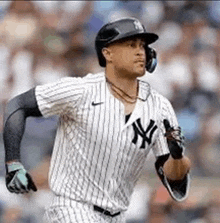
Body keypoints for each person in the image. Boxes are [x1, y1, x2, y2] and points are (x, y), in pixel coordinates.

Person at [3, 18, 190, 223]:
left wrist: (177, 156)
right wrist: (13, 163)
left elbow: (175, 181)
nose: (140, 52)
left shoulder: (160, 107)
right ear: (107, 53)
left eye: (142, 46)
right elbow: (17, 106)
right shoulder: (81, 91)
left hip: (118, 215)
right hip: (72, 209)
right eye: (130, 45)